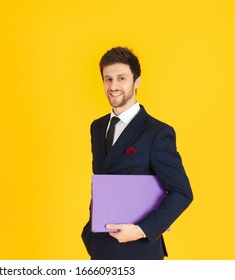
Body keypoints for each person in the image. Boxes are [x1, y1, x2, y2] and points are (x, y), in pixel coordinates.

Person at [81, 46, 194, 260]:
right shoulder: (97, 127)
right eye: (108, 79)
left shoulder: (158, 132)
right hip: (99, 248)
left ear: (137, 81)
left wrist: (142, 230)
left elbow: (182, 193)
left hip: (139, 251)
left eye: (121, 78)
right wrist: (90, 231)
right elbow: (103, 181)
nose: (113, 86)